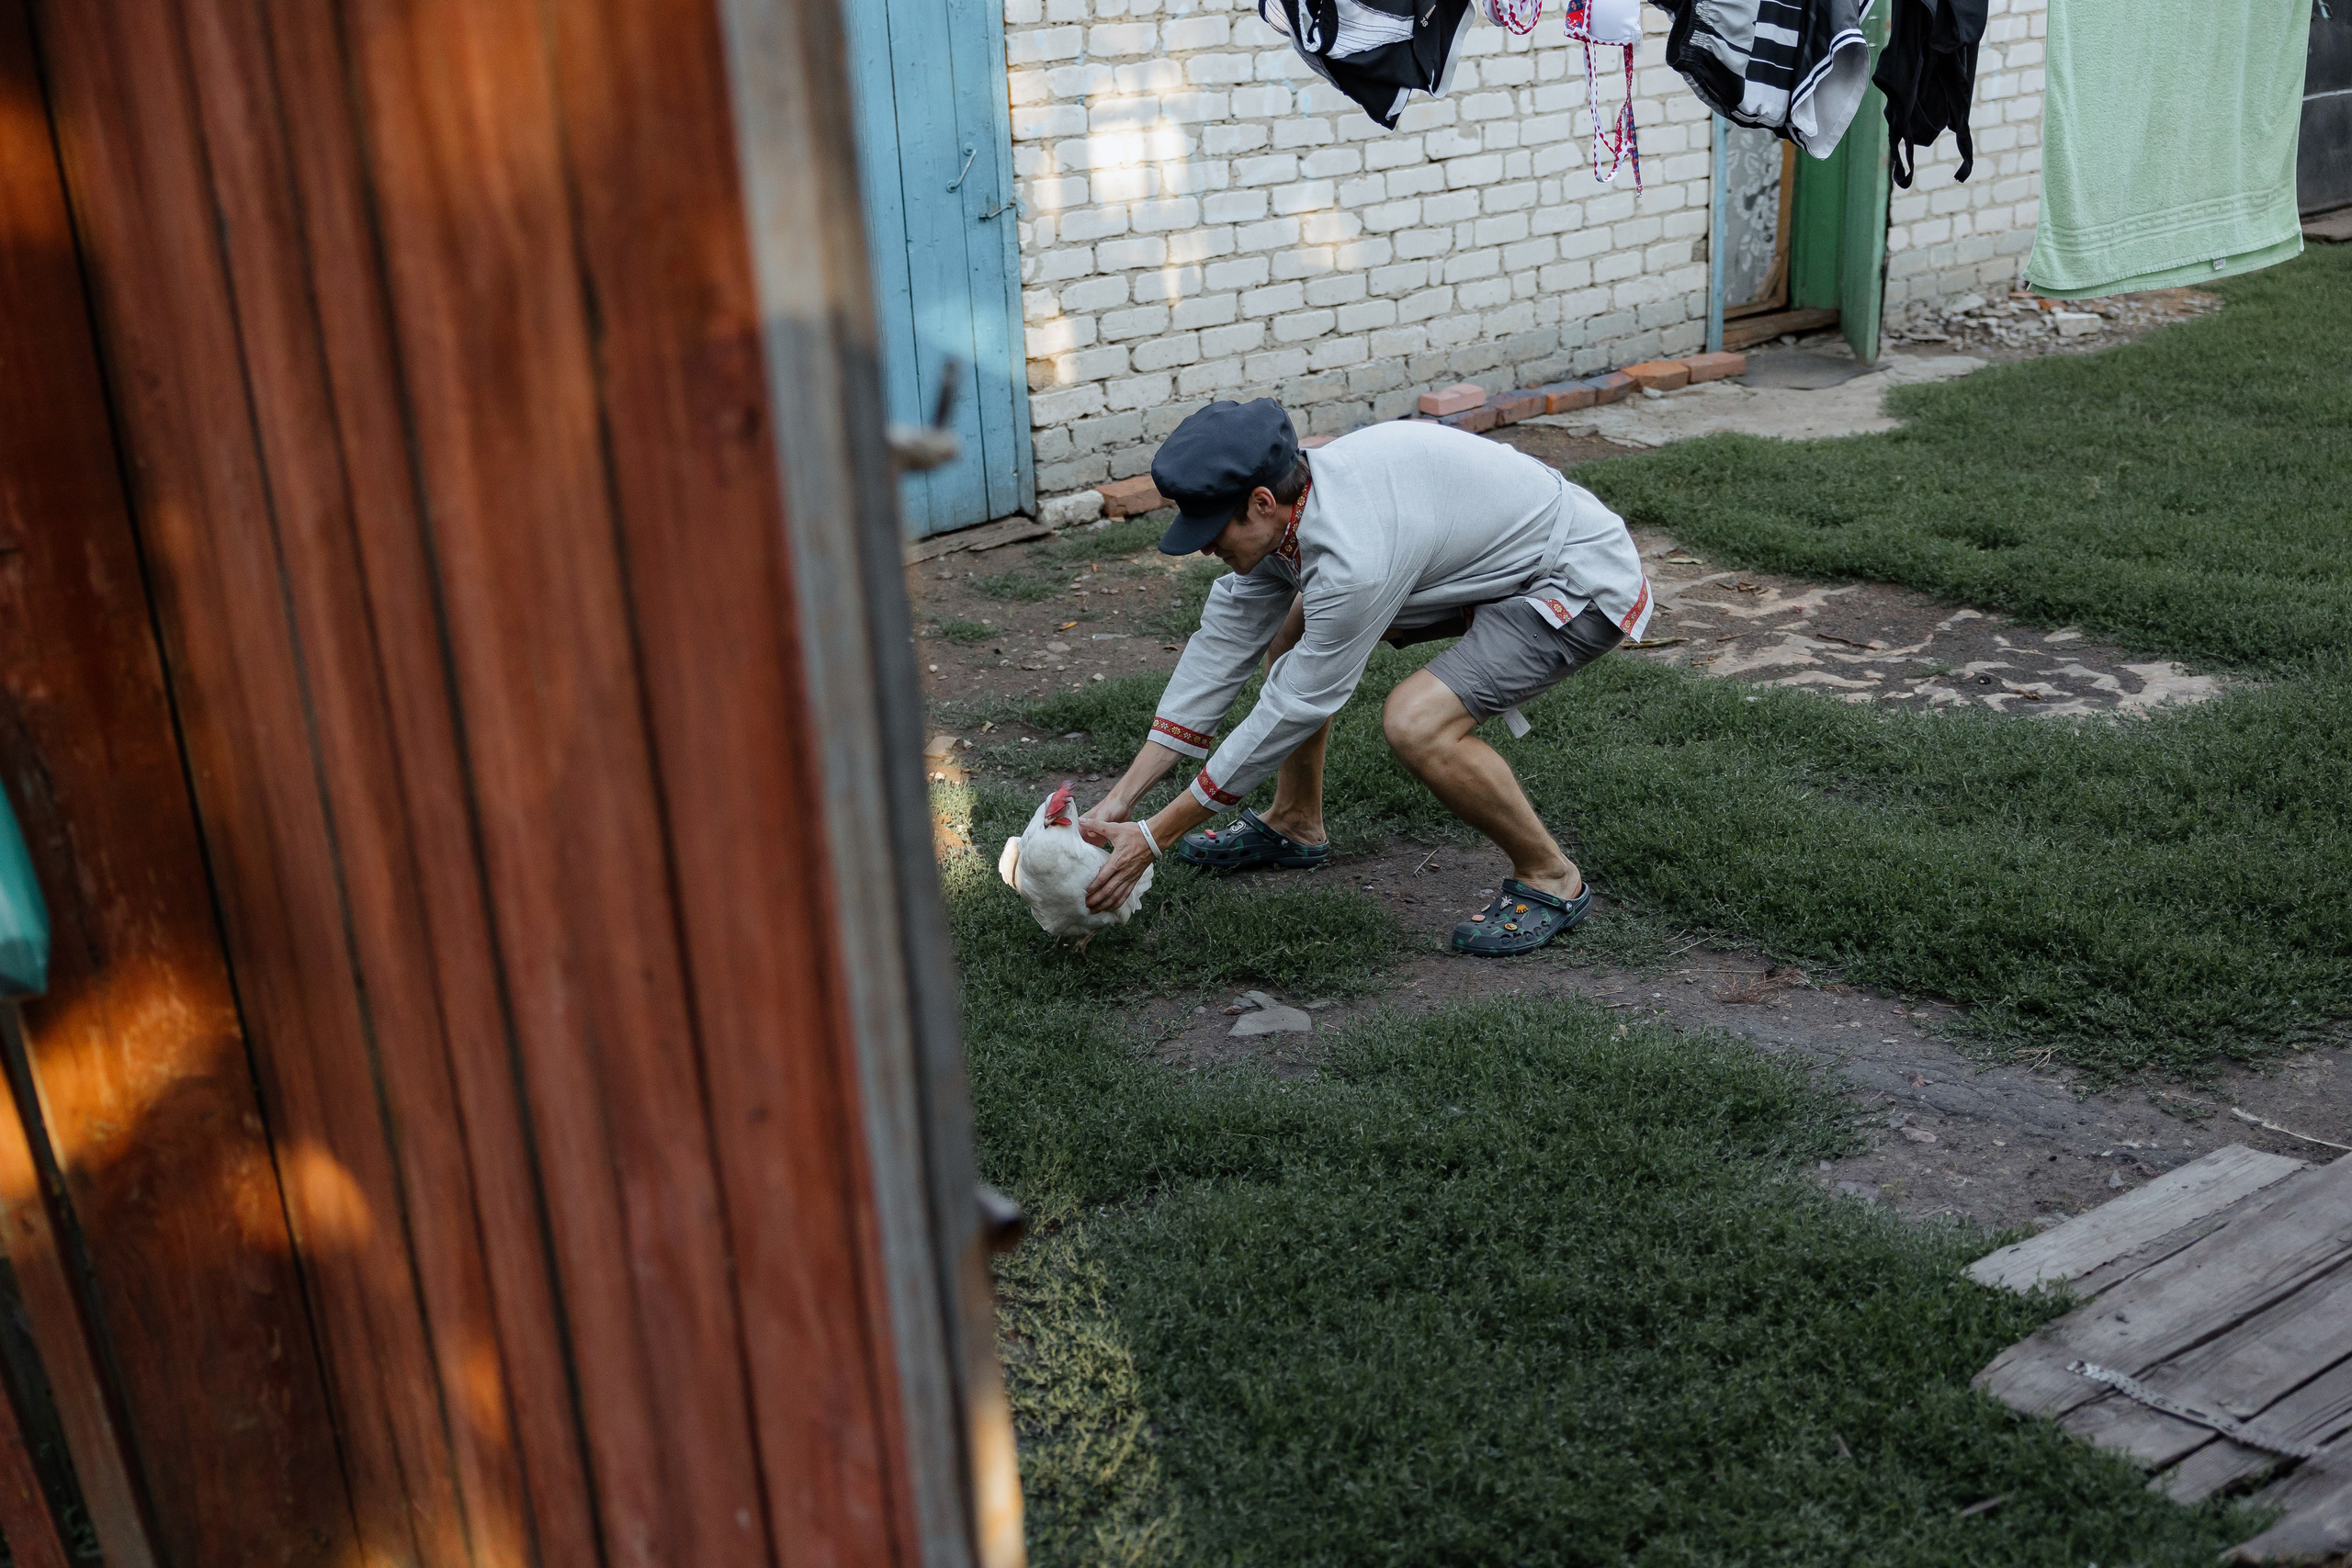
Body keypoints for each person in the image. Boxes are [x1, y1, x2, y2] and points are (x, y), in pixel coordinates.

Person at [1078, 397, 1653, 955]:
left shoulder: (1353, 557)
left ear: (1259, 502)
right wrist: (1122, 799)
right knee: (1294, 635)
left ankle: (1551, 876)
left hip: (1573, 582)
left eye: (1211, 528)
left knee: (1416, 722)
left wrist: (1157, 836)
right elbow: (1219, 653)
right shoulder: (1291, 509)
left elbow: (1292, 705)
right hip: (1486, 562)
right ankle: (1295, 821)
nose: (1203, 546)